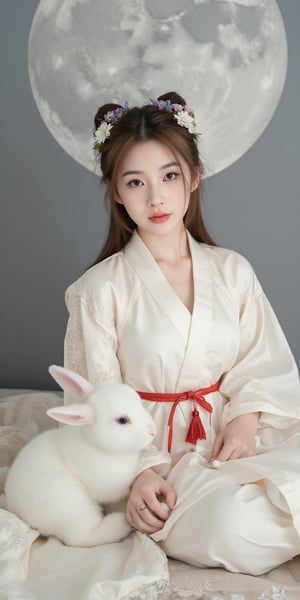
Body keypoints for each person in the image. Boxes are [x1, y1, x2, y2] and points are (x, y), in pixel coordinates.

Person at [64, 91, 300, 576]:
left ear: (193, 178)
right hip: (154, 459)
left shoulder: (233, 271)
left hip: (228, 438)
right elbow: (97, 401)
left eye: (170, 176)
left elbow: (262, 362)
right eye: (136, 182)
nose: (156, 197)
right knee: (232, 525)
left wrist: (246, 421)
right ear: (116, 192)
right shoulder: (99, 289)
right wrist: (141, 472)